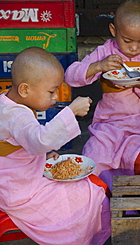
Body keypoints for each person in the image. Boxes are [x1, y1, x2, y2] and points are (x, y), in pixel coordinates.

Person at [0, 47, 110, 245]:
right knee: (88, 196)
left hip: (16, 181)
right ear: (25, 89)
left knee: (86, 187)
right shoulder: (16, 115)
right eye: (51, 92)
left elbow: (19, 146)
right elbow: (39, 140)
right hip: (20, 192)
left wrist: (42, 156)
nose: (56, 98)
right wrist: (71, 111)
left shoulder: (6, 103)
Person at [65, 0, 140, 189]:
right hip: (107, 126)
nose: (134, 48)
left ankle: (139, 211)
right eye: (127, 40)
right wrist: (99, 65)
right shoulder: (106, 51)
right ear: (114, 30)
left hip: (139, 130)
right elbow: (71, 76)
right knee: (92, 161)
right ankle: (101, 206)